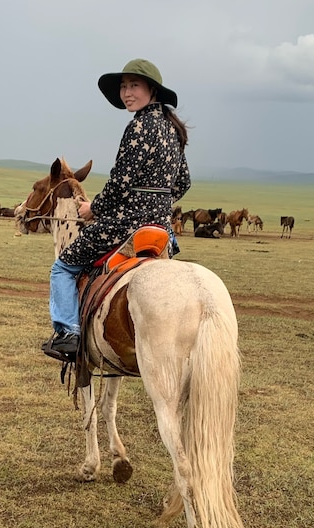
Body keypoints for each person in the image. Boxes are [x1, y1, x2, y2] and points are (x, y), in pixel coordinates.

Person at [42, 58, 191, 361]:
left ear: (152, 89)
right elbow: (184, 182)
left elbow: (119, 183)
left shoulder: (138, 127)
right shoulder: (172, 129)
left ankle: (68, 333)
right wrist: (157, 201)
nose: (126, 93)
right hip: (161, 228)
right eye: (123, 87)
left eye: (133, 85)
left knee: (63, 267)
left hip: (127, 225)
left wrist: (92, 208)